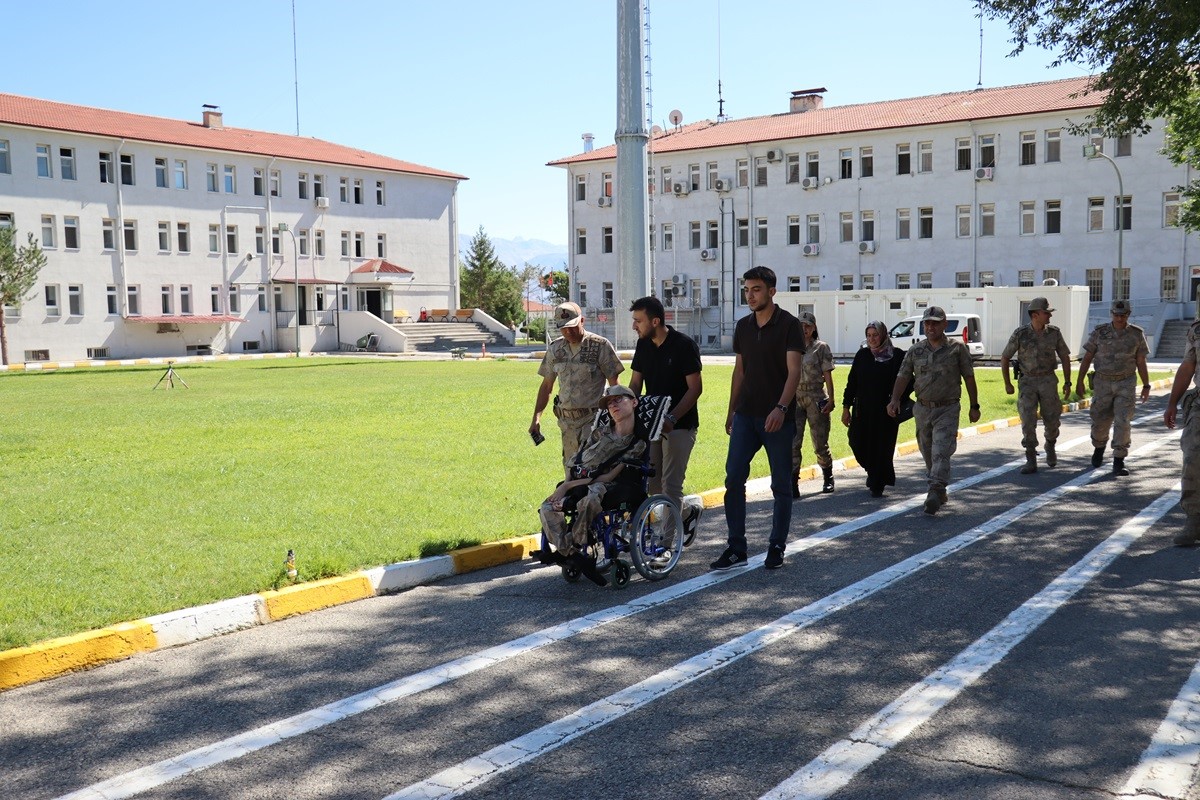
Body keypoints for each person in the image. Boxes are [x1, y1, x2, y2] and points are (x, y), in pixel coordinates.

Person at [710, 266, 804, 571]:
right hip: (746, 416)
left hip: (777, 417)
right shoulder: (743, 326)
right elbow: (740, 371)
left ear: (772, 291)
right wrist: (731, 411)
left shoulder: (789, 325)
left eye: (756, 289)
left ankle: (776, 545)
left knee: (781, 485)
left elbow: (794, 372)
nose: (750, 296)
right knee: (733, 478)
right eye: (747, 290)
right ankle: (736, 548)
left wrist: (781, 408)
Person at [535, 385, 648, 586]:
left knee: (589, 501)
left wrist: (567, 487)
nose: (613, 405)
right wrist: (566, 484)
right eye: (610, 403)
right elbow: (574, 461)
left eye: (618, 400)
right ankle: (573, 554)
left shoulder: (636, 442)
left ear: (634, 402)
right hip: (578, 481)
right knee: (547, 508)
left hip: (606, 484)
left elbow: (609, 476)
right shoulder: (598, 433)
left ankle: (569, 551)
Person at [887, 306, 981, 515]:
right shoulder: (916, 350)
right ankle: (939, 488)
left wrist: (974, 406)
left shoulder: (957, 348)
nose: (930, 327)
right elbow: (903, 376)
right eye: (927, 323)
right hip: (922, 409)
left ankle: (935, 490)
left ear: (944, 324)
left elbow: (969, 377)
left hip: (947, 408)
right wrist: (894, 400)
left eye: (935, 323)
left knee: (941, 451)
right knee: (928, 451)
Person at [628, 295, 703, 514]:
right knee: (653, 484)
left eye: (638, 321)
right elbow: (635, 383)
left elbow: (695, 388)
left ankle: (669, 537)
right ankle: (687, 513)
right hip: (652, 426)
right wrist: (626, 408)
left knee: (671, 485)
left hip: (680, 425)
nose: (634, 326)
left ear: (655, 321)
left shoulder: (684, 345)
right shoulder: (643, 344)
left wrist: (672, 418)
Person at [530, 301, 623, 471]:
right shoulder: (555, 349)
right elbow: (546, 386)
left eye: (572, 326)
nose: (568, 332)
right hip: (567, 424)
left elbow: (615, 385)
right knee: (571, 471)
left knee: (592, 470)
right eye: (564, 328)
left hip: (593, 421)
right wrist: (536, 418)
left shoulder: (600, 346)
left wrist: (619, 419)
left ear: (582, 321)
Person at [1075, 299, 1150, 476]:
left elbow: (1141, 361)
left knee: (1123, 421)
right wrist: (1079, 381)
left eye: (1123, 315)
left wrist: (1146, 385)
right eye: (1116, 315)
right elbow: (1087, 357)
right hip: (1102, 383)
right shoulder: (1100, 332)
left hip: (1126, 383)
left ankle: (1119, 459)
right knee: (1100, 421)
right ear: (1111, 314)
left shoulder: (1137, 334)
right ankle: (1099, 447)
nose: (1119, 318)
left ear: (1128, 315)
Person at [999, 297, 1073, 474]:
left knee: (1052, 419)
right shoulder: (1021, 334)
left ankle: (1050, 444)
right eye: (1046, 313)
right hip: (1028, 382)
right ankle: (1030, 457)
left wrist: (1067, 381)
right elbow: (1005, 357)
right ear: (1035, 315)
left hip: (1048, 380)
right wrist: (1007, 383)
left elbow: (1064, 356)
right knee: (1028, 420)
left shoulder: (1054, 333)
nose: (1049, 316)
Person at [841, 321, 905, 498]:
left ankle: (878, 482)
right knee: (856, 442)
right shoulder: (862, 355)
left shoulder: (897, 356)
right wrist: (846, 407)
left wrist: (896, 400)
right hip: (862, 410)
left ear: (883, 335)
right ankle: (873, 471)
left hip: (886, 411)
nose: (872, 339)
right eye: (869, 335)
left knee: (881, 448)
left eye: (875, 335)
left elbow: (908, 381)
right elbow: (852, 382)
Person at [791, 311, 836, 496]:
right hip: (795, 397)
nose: (804, 329)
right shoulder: (790, 347)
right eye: (801, 326)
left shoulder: (821, 347)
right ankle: (792, 482)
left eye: (808, 326)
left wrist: (831, 399)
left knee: (819, 441)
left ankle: (828, 477)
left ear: (814, 327)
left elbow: (827, 374)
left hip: (816, 396)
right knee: (793, 442)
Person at [1164, 319, 1200, 546]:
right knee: (1192, 458)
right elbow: (1188, 366)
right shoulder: (1197, 330)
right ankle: (1194, 520)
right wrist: (1172, 403)